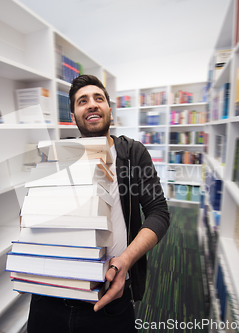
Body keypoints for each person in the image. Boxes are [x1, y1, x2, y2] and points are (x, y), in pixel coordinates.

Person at [27, 74, 170, 333]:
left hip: (110, 295)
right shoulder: (57, 155)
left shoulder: (133, 153)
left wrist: (125, 260)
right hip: (51, 297)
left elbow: (158, 212)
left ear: (109, 111)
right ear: (73, 116)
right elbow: (34, 214)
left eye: (98, 98)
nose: (92, 104)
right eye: (82, 101)